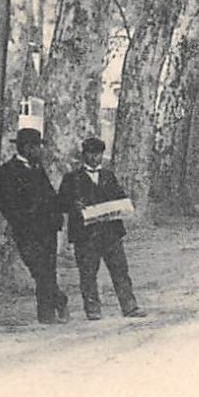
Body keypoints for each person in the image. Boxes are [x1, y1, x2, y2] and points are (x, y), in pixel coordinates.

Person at [57, 137, 145, 320]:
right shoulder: (71, 178)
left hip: (111, 232)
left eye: (98, 154)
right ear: (83, 155)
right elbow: (61, 203)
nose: (95, 157)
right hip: (85, 234)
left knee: (120, 270)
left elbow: (121, 197)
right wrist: (74, 205)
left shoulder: (108, 176)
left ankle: (130, 306)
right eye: (90, 153)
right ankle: (92, 309)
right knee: (88, 272)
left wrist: (124, 205)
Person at [0, 128, 68, 324]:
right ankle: (59, 300)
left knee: (48, 270)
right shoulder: (7, 171)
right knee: (38, 269)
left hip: (47, 229)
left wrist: (56, 217)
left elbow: (50, 195)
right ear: (28, 148)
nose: (41, 151)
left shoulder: (38, 168)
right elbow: (6, 204)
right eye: (38, 147)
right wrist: (21, 221)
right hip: (26, 231)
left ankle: (46, 315)